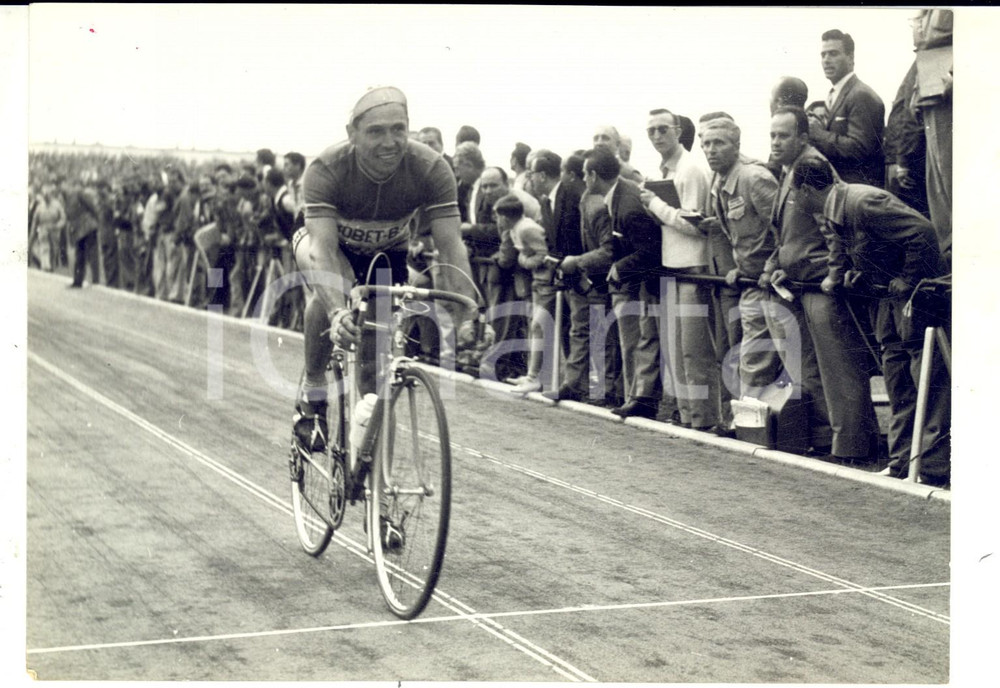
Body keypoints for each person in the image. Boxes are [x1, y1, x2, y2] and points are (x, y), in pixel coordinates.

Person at [291, 86, 477, 459]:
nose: (390, 141)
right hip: (326, 246)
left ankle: (375, 479)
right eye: (376, 131)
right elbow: (322, 251)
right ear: (352, 134)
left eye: (398, 129)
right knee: (335, 292)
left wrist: (468, 309)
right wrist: (337, 311)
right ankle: (313, 391)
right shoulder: (327, 168)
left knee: (373, 373)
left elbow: (451, 245)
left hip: (387, 251)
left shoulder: (431, 167)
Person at [792, 155, 950, 486]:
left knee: (926, 380)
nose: (796, 201)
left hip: (913, 301)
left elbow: (922, 233)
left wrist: (907, 279)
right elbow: (852, 246)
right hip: (887, 303)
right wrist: (848, 274)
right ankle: (902, 462)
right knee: (898, 382)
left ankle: (933, 469)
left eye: (796, 194)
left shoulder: (863, 201)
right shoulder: (834, 208)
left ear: (806, 189)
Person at [763, 106, 877, 462]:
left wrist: (831, 275)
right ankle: (834, 441)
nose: (775, 142)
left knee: (839, 369)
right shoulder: (788, 171)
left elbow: (834, 230)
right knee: (816, 370)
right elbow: (787, 236)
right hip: (799, 285)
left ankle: (855, 447)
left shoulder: (814, 167)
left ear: (803, 136)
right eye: (772, 135)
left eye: (783, 135)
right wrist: (778, 266)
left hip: (820, 288)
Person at [639, 108, 723, 432]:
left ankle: (704, 419)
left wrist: (655, 205)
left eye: (663, 129)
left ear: (677, 131)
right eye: (652, 131)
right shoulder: (663, 169)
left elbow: (695, 225)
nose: (658, 136)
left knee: (695, 352)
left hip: (692, 266)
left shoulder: (690, 170)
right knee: (677, 352)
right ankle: (689, 416)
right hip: (672, 266)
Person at [700, 115, 780, 402]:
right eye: (706, 144)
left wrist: (771, 266)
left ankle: (754, 431)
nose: (711, 150)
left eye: (718, 143)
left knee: (757, 361)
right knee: (753, 359)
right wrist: (736, 268)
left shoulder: (753, 177)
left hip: (772, 284)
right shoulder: (719, 180)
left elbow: (786, 228)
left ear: (736, 145)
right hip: (750, 282)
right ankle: (755, 429)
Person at [585, 148, 661, 420]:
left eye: (586, 174)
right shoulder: (620, 193)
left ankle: (640, 399)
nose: (585, 179)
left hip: (645, 284)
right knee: (639, 343)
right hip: (636, 283)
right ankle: (636, 397)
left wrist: (619, 267)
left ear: (593, 175)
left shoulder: (627, 206)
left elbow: (650, 251)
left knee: (640, 343)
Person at [809, 29, 886, 187]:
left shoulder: (861, 95)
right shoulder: (834, 94)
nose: (826, 60)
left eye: (833, 54)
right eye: (823, 55)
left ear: (850, 58)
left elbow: (859, 149)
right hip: (842, 188)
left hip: (859, 189)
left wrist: (819, 134)